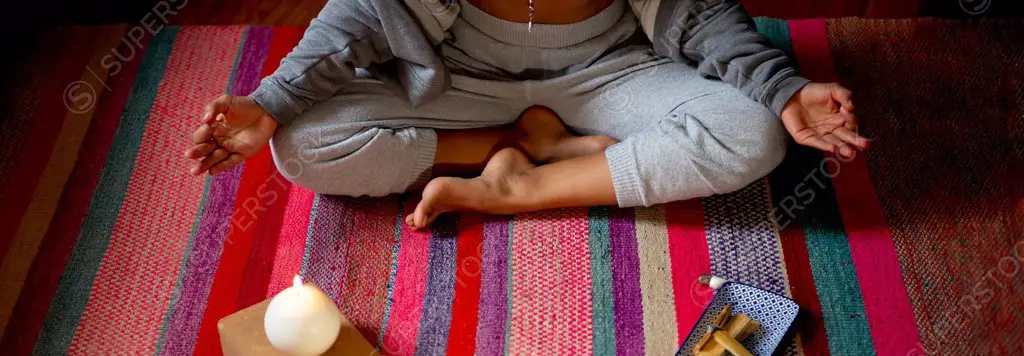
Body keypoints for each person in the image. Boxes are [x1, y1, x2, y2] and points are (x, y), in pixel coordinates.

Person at [185, 0, 868, 229]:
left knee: (751, 133)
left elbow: (702, 14)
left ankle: (523, 185)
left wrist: (781, 89)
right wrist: (271, 103)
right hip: (462, 83)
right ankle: (518, 140)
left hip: (609, 72)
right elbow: (361, 15)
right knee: (301, 143)